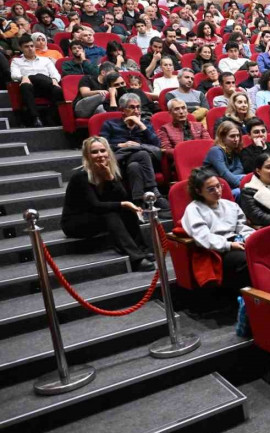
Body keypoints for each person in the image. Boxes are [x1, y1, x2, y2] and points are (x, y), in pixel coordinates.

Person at [62, 137, 155, 272]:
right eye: (94, 152)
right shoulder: (80, 177)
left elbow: (123, 197)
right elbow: (95, 205)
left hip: (97, 216)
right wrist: (123, 204)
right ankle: (136, 258)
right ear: (87, 156)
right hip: (76, 222)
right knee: (112, 212)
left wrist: (110, 179)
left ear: (108, 152)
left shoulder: (111, 171)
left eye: (102, 151)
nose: (100, 155)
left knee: (125, 210)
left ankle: (141, 248)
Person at [182, 167, 254, 296]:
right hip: (216, 250)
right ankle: (249, 300)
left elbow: (242, 227)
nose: (217, 191)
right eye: (211, 189)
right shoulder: (194, 209)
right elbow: (203, 237)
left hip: (238, 242)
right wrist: (229, 245)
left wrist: (250, 238)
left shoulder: (230, 205)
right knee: (246, 260)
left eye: (218, 186)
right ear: (198, 191)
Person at [98, 93, 166, 208]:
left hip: (141, 163)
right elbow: (102, 146)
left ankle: (138, 204)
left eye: (138, 107)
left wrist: (140, 124)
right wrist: (121, 145)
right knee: (142, 153)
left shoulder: (144, 125)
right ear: (122, 110)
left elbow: (157, 145)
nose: (136, 110)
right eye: (132, 107)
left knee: (134, 166)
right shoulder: (110, 124)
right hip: (119, 162)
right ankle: (154, 192)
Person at [10, 34, 63, 127]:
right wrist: (23, 77)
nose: (30, 49)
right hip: (31, 89)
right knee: (26, 85)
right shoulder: (16, 61)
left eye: (32, 46)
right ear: (21, 48)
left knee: (58, 90)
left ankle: (50, 115)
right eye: (26, 47)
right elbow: (14, 75)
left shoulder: (45, 60)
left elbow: (55, 73)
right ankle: (35, 118)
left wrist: (54, 80)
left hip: (46, 86)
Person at [203, 121, 246, 198]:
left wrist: (233, 177)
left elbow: (240, 168)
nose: (236, 139)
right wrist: (243, 185)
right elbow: (224, 173)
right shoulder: (215, 151)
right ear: (222, 137)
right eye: (232, 136)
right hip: (216, 187)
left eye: (238, 136)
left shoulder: (234, 149)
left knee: (247, 177)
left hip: (229, 182)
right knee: (240, 191)